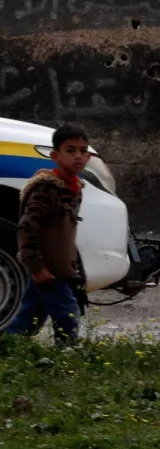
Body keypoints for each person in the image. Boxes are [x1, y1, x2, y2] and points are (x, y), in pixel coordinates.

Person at [5, 124, 89, 342]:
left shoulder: (73, 187)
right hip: (48, 268)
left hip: (58, 267)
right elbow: (27, 228)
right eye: (70, 151)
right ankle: (68, 354)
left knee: (29, 316)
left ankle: (9, 351)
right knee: (68, 313)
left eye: (83, 151)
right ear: (55, 156)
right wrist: (37, 266)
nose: (78, 156)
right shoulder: (46, 189)